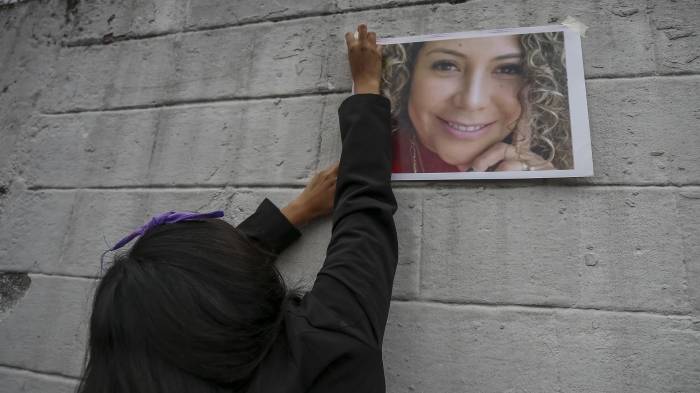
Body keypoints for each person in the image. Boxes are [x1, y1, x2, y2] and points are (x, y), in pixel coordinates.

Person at [77, 24, 396, 393]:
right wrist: (368, 91)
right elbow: (365, 220)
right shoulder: (323, 352)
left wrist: (297, 211)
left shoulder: (135, 371)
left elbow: (203, 283)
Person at [382, 32, 573, 173]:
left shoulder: (554, 166)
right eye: (446, 65)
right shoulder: (371, 160)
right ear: (406, 74)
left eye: (507, 69)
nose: (471, 102)